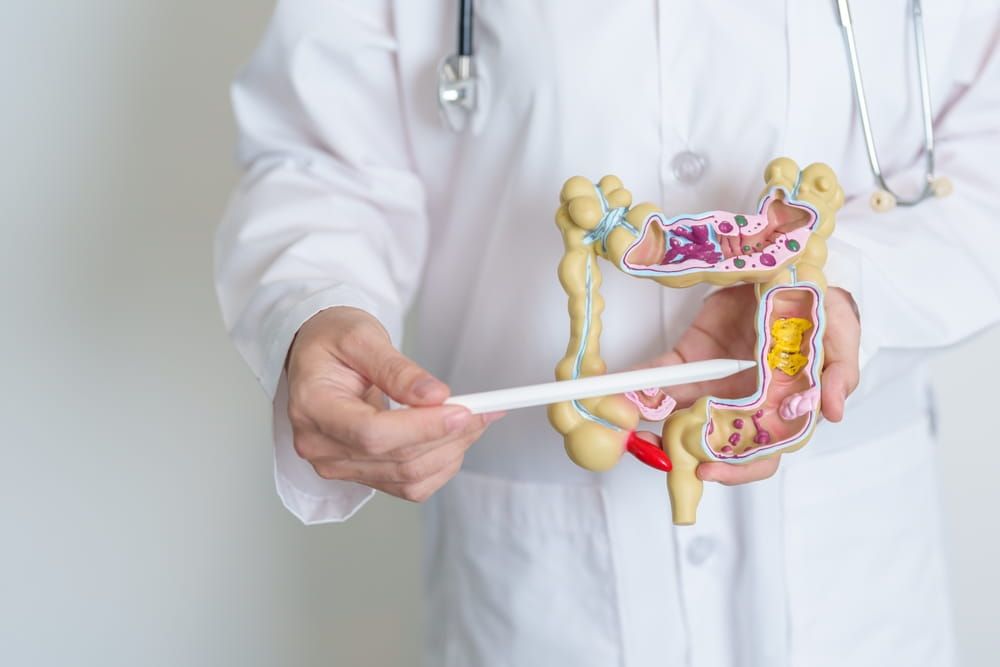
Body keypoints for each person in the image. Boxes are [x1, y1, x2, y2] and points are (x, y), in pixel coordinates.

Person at [215, 2, 1000, 665]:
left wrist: (848, 288)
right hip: (544, 592)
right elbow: (326, 159)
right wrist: (316, 304)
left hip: (856, 578)